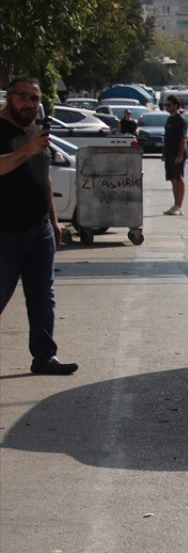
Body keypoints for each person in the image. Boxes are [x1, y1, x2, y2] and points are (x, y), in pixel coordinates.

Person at [0, 77, 78, 375]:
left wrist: (54, 220)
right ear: (10, 98)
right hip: (5, 231)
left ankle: (45, 356)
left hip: (39, 229)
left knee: (42, 296)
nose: (30, 104)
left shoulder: (35, 132)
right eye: (24, 97)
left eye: (35, 98)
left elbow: (44, 177)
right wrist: (27, 150)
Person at [161, 96, 188, 215]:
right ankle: (175, 204)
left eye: (169, 105)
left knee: (178, 178)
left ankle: (179, 206)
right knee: (172, 179)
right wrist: (164, 153)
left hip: (178, 153)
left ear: (176, 105)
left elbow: (183, 139)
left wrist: (180, 155)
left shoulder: (180, 120)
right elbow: (167, 138)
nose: (167, 107)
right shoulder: (169, 120)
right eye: (165, 105)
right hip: (169, 153)